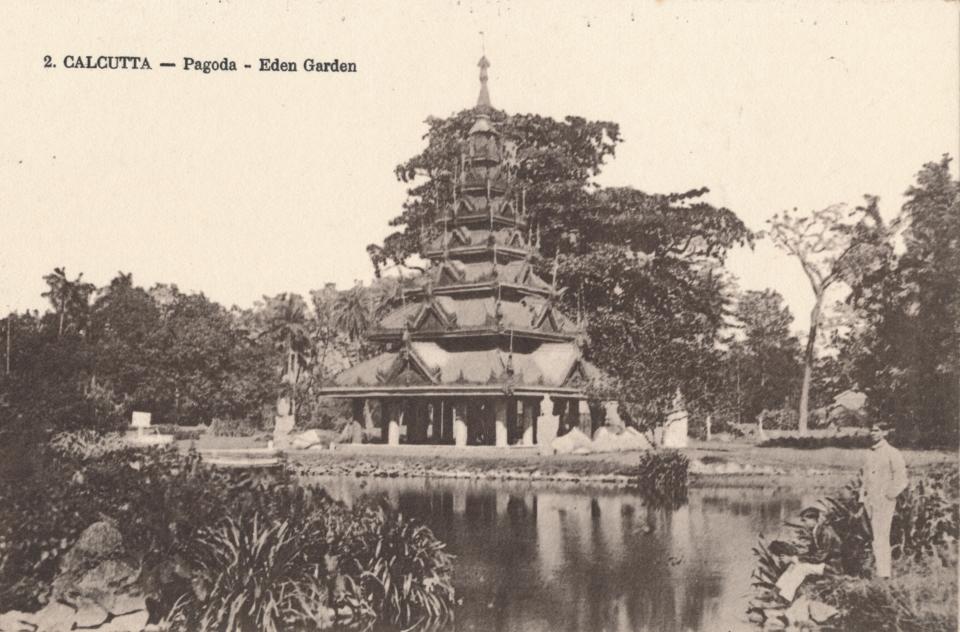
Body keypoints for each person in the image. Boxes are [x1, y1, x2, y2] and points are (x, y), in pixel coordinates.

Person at [861, 423, 908, 578]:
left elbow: (901, 479)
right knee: (873, 536)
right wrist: (863, 497)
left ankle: (884, 574)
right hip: (870, 502)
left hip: (884, 501)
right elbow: (865, 478)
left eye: (876, 430)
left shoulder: (892, 453)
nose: (872, 433)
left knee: (882, 536)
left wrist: (889, 495)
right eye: (871, 430)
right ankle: (874, 570)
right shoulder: (869, 453)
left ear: (885, 432)